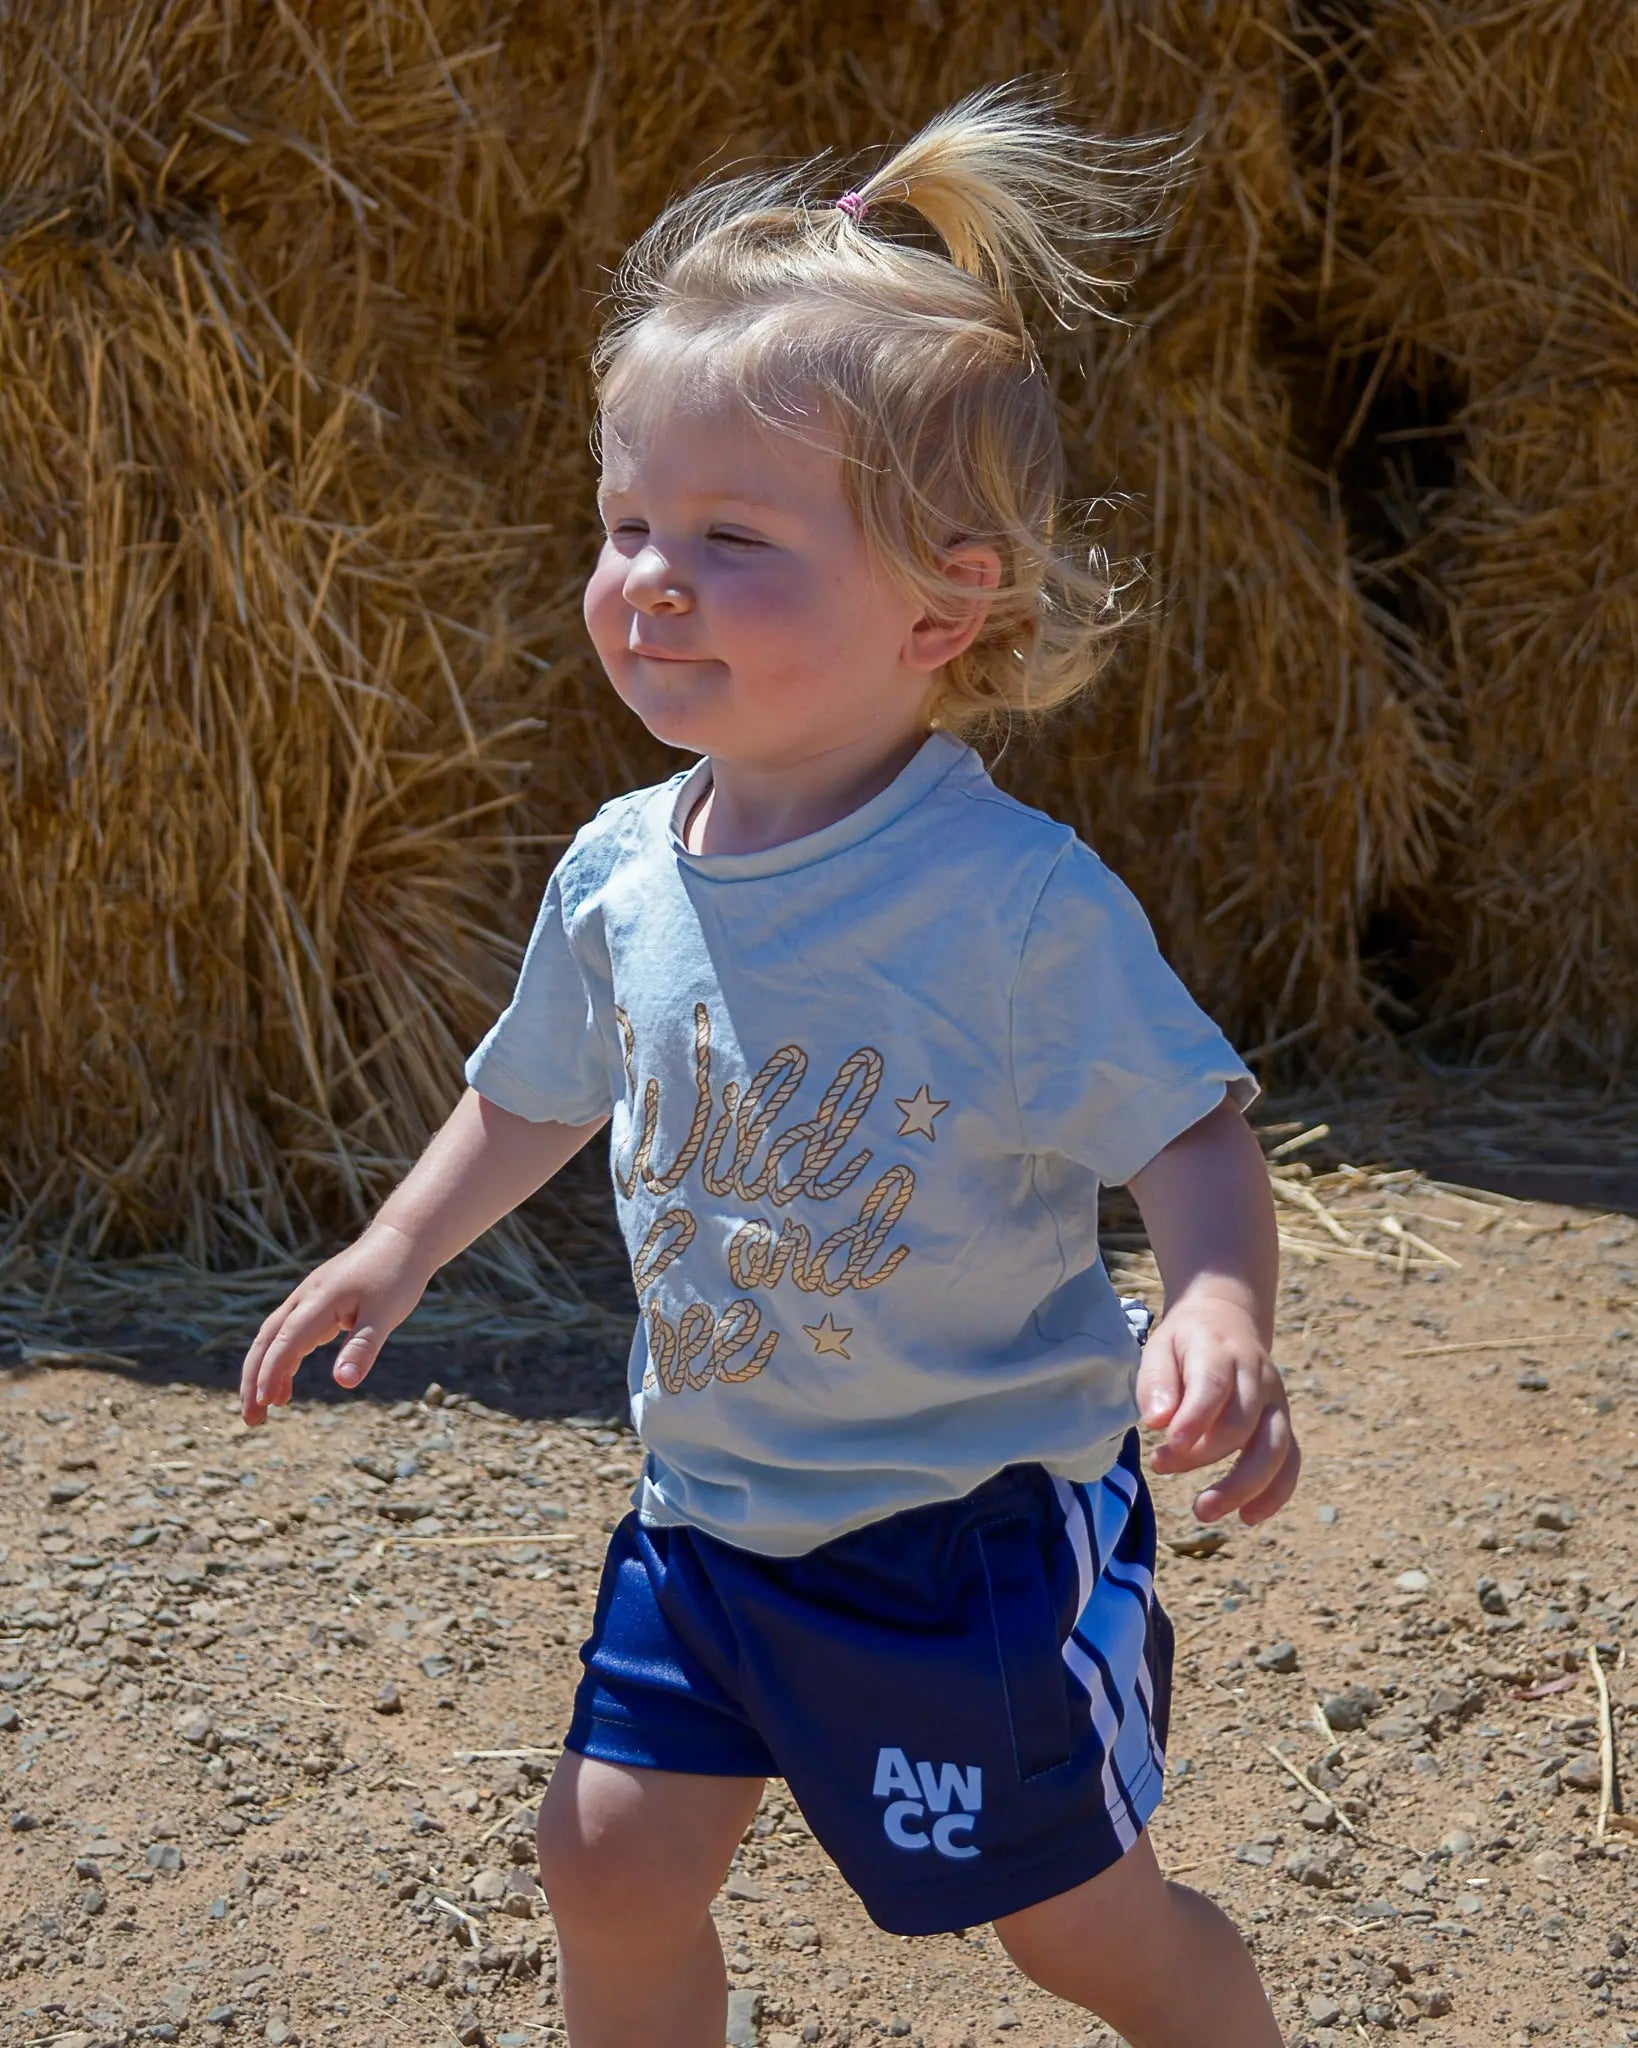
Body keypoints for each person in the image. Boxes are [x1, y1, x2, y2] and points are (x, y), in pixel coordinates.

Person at [239, 82, 1299, 2048]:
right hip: (709, 1509)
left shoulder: (1010, 903)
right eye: (627, 524)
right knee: (605, 1856)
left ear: (945, 603)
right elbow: (537, 1087)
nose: (651, 575)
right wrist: (397, 1246)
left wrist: (1218, 1304)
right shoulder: (619, 870)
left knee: (1077, 1928)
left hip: (965, 1532)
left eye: (731, 538)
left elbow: (1189, 1129)